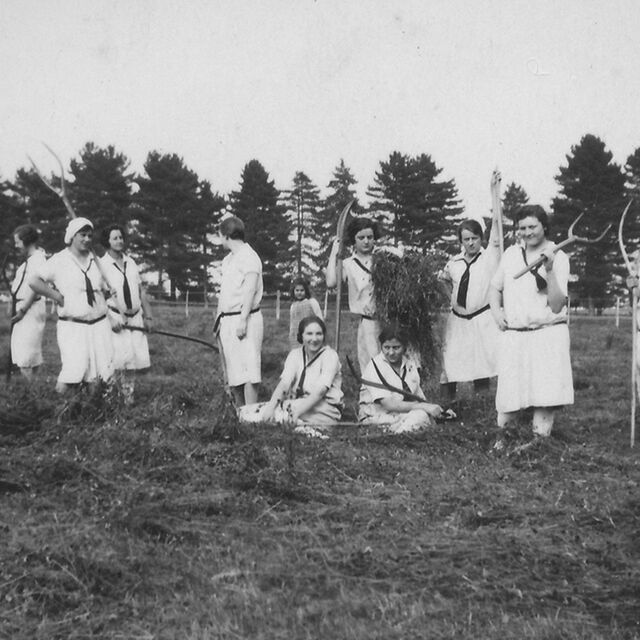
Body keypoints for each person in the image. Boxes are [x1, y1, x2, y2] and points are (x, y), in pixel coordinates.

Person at [489, 205, 574, 441]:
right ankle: (503, 441)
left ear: (544, 226)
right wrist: (497, 313)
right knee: (508, 398)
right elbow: (495, 288)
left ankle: (539, 444)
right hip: (515, 334)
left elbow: (557, 304)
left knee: (545, 396)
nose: (527, 232)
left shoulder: (558, 256)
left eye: (532, 226)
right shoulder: (511, 255)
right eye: (522, 228)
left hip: (546, 334)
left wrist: (548, 268)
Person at [29, 217, 118, 393]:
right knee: (72, 371)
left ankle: (91, 414)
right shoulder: (60, 259)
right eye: (82, 235)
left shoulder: (95, 260)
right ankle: (57, 414)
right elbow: (34, 281)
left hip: (99, 324)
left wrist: (108, 293)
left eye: (90, 236)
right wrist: (56, 296)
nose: (87, 239)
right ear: (72, 236)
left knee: (100, 374)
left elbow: (102, 289)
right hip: (73, 326)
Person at [239, 316, 343, 437]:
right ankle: (300, 428)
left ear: (324, 336)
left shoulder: (330, 356)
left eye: (319, 334)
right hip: (297, 404)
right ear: (301, 336)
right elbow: (284, 384)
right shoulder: (295, 355)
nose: (314, 339)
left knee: (267, 417)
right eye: (309, 334)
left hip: (324, 408)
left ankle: (310, 430)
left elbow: (320, 391)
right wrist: (270, 408)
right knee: (245, 412)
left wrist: (297, 412)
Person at [439, 218, 502, 403]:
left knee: (481, 361)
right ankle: (448, 403)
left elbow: (496, 236)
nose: (471, 243)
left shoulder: (489, 258)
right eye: (466, 239)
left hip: (481, 317)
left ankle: (480, 403)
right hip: (457, 319)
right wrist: (446, 294)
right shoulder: (454, 263)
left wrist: (494, 193)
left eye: (474, 238)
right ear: (461, 241)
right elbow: (444, 280)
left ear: (481, 238)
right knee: (450, 359)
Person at [100, 224, 153, 402]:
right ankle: (110, 399)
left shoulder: (131, 262)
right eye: (114, 238)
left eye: (121, 237)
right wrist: (109, 319)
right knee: (117, 360)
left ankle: (128, 399)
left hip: (135, 317)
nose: (119, 241)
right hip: (116, 318)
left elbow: (140, 291)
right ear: (107, 241)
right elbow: (98, 297)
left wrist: (149, 316)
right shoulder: (101, 265)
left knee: (132, 361)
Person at [214, 216, 263, 406]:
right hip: (227, 320)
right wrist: (218, 321)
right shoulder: (228, 260)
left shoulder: (249, 256)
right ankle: (239, 413)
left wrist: (243, 320)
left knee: (249, 368)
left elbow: (250, 290)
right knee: (234, 371)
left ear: (225, 235)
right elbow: (226, 293)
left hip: (247, 318)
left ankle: (250, 413)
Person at [358, 325, 443, 434]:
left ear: (404, 347)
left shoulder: (410, 364)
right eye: (386, 347)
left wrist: (438, 410)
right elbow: (388, 404)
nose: (391, 352)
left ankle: (400, 432)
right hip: (377, 417)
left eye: (396, 347)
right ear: (381, 346)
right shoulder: (375, 366)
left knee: (424, 415)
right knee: (421, 415)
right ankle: (398, 435)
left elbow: (418, 398)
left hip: (400, 414)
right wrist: (424, 407)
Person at [326, 216, 381, 371]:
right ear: (354, 240)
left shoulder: (382, 258)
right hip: (368, 322)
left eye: (370, 237)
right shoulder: (349, 264)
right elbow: (331, 282)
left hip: (388, 321)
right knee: (370, 364)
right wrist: (334, 253)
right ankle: (371, 395)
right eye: (361, 237)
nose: (366, 241)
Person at [9, 225, 47, 381]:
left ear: (26, 241)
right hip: (26, 309)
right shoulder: (31, 260)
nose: (16, 246)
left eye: (17, 242)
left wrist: (22, 310)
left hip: (29, 310)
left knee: (26, 355)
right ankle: (33, 392)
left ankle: (30, 395)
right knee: (28, 354)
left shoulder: (38, 259)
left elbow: (36, 287)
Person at [288, 277, 323, 349]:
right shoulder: (293, 305)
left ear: (306, 291)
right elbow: (292, 323)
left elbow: (320, 319)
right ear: (293, 291)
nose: (299, 292)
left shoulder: (312, 302)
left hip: (310, 334)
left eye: (302, 290)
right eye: (297, 290)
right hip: (296, 336)